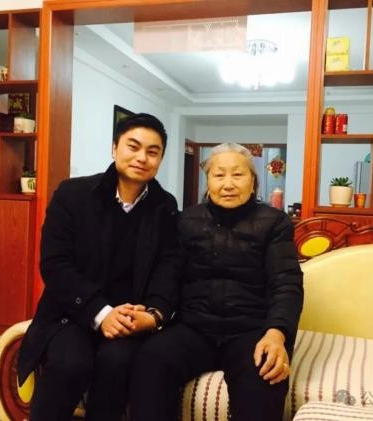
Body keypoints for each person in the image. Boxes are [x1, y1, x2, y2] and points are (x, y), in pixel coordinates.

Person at [17, 113, 181, 421]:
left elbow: (168, 268)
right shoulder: (73, 194)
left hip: (129, 318)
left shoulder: (166, 206)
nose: (142, 158)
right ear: (114, 148)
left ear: (160, 159)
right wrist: (101, 313)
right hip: (72, 313)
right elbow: (55, 264)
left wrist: (153, 314)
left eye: (153, 151)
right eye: (133, 146)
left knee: (118, 363)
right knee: (70, 363)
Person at [129, 143, 304, 421]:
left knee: (266, 378)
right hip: (194, 328)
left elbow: (287, 283)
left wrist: (276, 333)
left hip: (251, 330)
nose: (228, 184)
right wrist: (155, 314)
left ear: (253, 181)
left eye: (238, 175)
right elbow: (169, 277)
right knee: (151, 360)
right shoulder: (187, 220)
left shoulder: (274, 222)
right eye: (219, 175)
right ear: (207, 181)